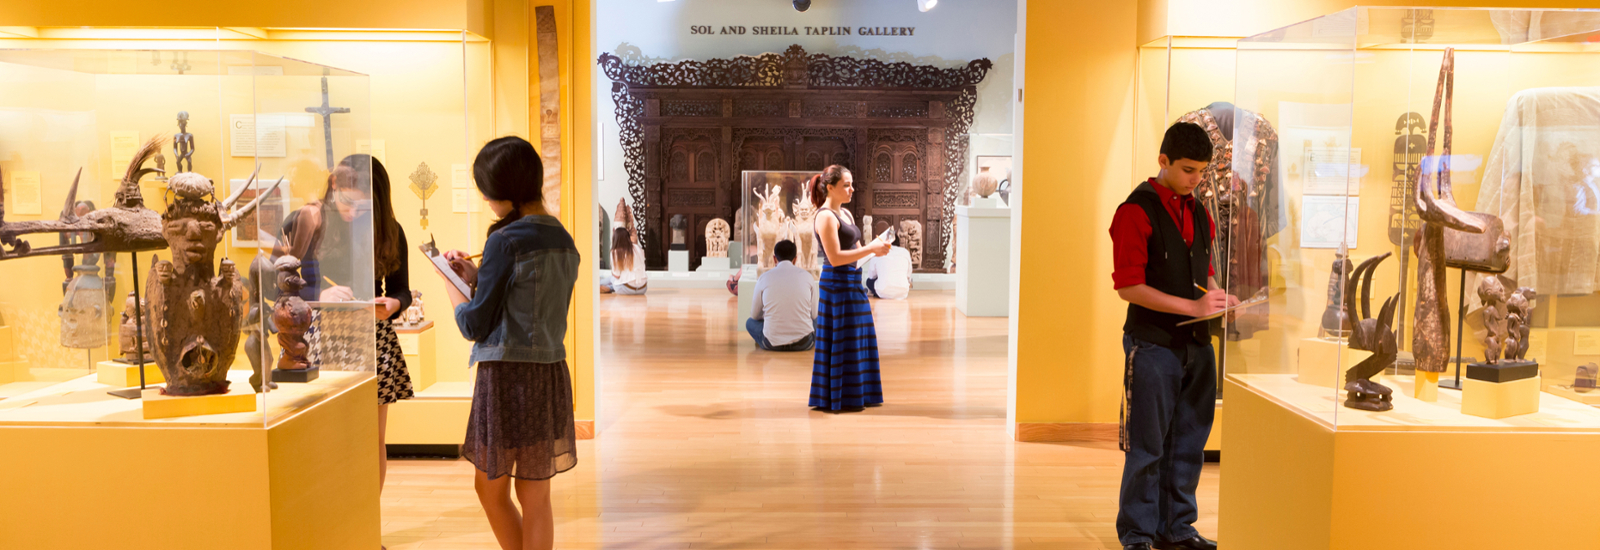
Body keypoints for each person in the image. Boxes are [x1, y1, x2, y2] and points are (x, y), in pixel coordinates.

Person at [437, 136, 579, 550]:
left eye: (487, 189)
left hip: (506, 377)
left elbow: (474, 324)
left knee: (490, 489)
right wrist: (478, 277)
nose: (484, 197)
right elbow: (529, 301)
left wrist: (452, 283)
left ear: (505, 189)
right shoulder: (563, 238)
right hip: (549, 373)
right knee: (535, 495)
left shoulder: (504, 241)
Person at [1108, 122, 1237, 550]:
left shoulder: (1199, 210)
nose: (1196, 180)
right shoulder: (1134, 211)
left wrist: (1217, 297)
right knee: (1147, 448)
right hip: (1151, 346)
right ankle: (1138, 535)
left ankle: (1178, 528)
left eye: (1201, 171)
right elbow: (1128, 287)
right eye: (1187, 170)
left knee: (1189, 443)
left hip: (1197, 347)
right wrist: (1195, 308)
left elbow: (1207, 270)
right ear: (1162, 161)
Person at [277, 154, 416, 503]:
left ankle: (366, 526)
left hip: (372, 335)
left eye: (364, 207)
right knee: (323, 437)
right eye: (348, 203)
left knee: (371, 440)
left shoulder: (389, 229)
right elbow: (281, 281)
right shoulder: (311, 220)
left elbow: (401, 289)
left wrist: (394, 305)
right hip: (319, 335)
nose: (354, 212)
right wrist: (318, 293)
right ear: (334, 186)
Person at [808, 165, 891, 413]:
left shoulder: (846, 214)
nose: (852, 189)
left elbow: (856, 253)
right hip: (836, 285)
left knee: (858, 338)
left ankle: (859, 395)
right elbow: (835, 258)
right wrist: (870, 249)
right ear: (830, 187)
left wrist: (876, 247)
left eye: (851, 184)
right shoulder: (824, 216)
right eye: (846, 185)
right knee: (843, 340)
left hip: (853, 282)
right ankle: (840, 398)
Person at [747, 240, 817, 352]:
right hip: (804, 343)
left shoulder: (764, 278)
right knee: (819, 321)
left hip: (771, 343)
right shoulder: (808, 277)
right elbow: (814, 315)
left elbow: (754, 316)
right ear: (795, 259)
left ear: (774, 258)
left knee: (749, 323)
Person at [863, 232, 912, 300]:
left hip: (883, 292)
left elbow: (871, 276)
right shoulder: (905, 252)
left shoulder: (877, 253)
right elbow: (908, 276)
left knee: (868, 281)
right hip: (903, 293)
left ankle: (876, 293)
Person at [599, 226, 646, 295]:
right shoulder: (637, 248)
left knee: (612, 278)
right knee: (615, 280)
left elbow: (616, 275)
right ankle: (609, 287)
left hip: (626, 289)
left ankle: (595, 284)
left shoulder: (615, 252)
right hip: (642, 289)